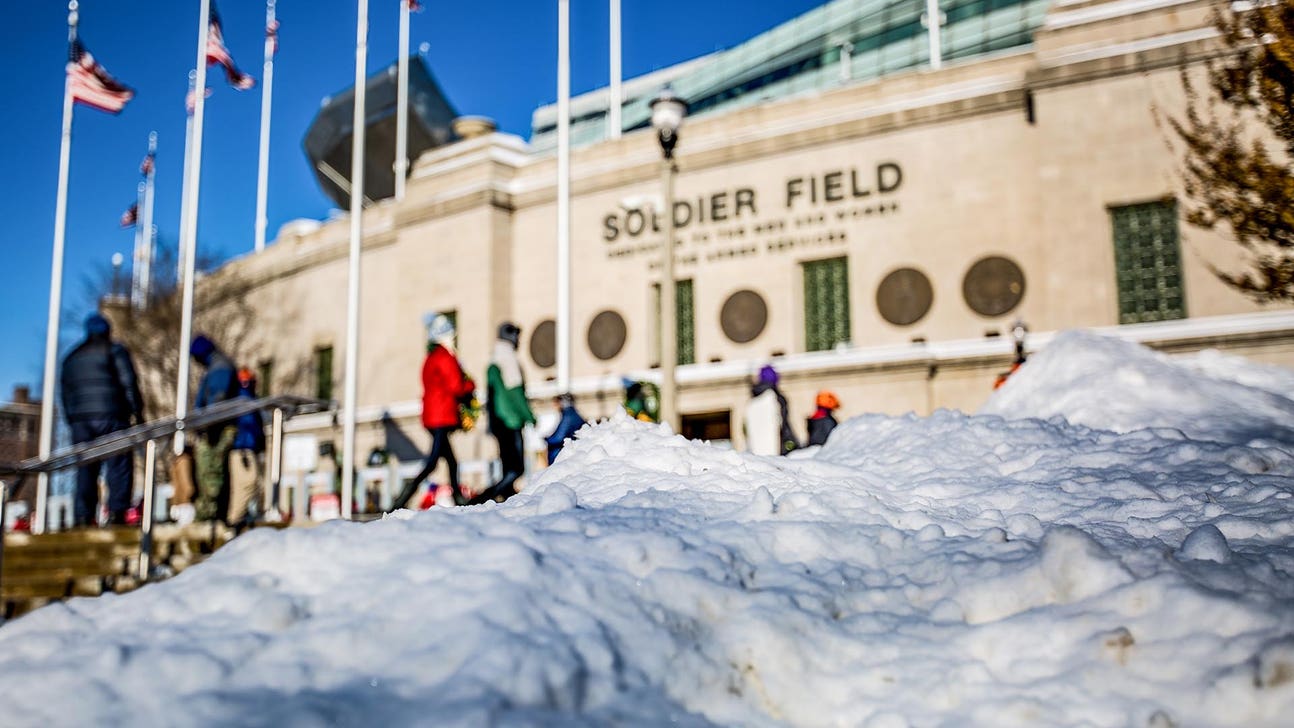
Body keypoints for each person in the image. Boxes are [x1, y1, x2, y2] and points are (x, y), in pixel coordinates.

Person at [60, 313, 144, 526]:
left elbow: (65, 393)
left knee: (85, 469)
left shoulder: (71, 358)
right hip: (112, 415)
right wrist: (137, 411)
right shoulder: (114, 350)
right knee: (118, 465)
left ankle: (82, 516)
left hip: (81, 421)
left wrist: (72, 418)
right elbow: (129, 382)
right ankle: (117, 513)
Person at [392, 313, 474, 510]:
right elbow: (455, 386)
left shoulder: (430, 358)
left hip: (432, 415)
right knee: (433, 463)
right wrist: (470, 385)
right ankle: (402, 499)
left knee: (450, 461)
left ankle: (457, 495)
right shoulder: (445, 357)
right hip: (442, 415)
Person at [472, 322, 535, 504]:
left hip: (499, 421)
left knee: (508, 466)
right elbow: (515, 392)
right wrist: (529, 415)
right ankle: (481, 499)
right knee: (516, 468)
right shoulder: (508, 358)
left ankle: (509, 501)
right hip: (511, 420)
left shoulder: (494, 358)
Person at [190, 334, 239, 523]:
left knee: (211, 474)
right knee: (212, 474)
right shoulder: (217, 367)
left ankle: (209, 517)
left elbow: (217, 400)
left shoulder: (219, 368)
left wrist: (208, 426)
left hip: (216, 429)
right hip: (214, 427)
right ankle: (211, 515)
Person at [227, 367, 265, 528]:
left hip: (245, 448)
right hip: (243, 449)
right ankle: (235, 520)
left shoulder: (245, 399)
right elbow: (250, 427)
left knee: (246, 485)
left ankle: (238, 519)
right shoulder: (245, 399)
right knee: (248, 483)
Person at [743, 364, 799, 456]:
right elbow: (784, 425)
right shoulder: (776, 398)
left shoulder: (752, 402)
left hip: (756, 453)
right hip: (776, 450)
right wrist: (792, 442)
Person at [545, 393, 586, 465]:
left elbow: (559, 437)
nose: (555, 406)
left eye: (557, 403)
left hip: (567, 452)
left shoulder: (568, 416)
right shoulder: (571, 413)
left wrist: (547, 439)